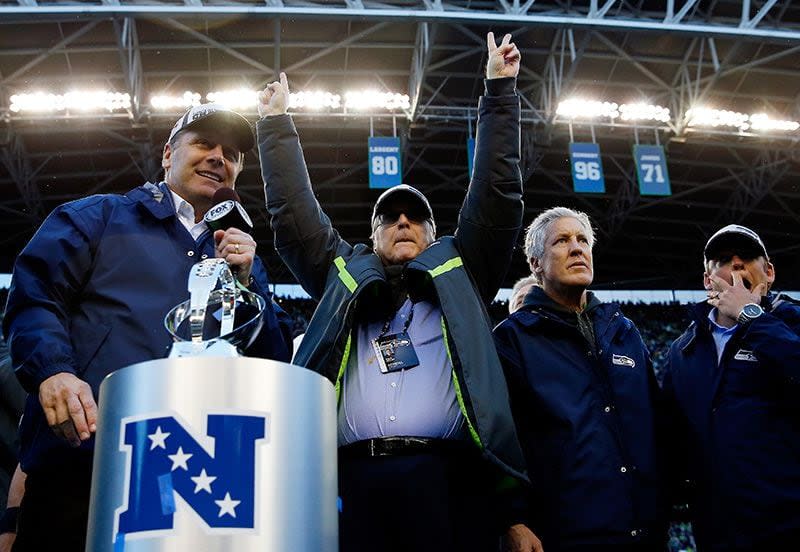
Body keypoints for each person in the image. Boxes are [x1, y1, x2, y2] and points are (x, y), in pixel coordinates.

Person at [257, 32, 541, 552]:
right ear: (374, 235)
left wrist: (500, 92)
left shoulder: (464, 269)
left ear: (436, 236)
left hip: (446, 480)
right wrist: (276, 127)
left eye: (416, 217)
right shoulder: (342, 276)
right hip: (350, 482)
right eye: (390, 217)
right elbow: (295, 221)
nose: (403, 221)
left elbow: (497, 196)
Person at [2, 103, 293, 551]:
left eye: (231, 153)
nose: (219, 157)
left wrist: (248, 285)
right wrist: (52, 370)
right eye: (203, 144)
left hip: (193, 479)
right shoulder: (98, 217)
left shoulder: (243, 261)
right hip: (85, 464)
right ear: (166, 154)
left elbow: (269, 365)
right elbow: (35, 294)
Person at [493, 207, 667, 551]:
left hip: (645, 530)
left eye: (583, 240)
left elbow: (657, 424)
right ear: (535, 264)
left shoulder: (624, 331)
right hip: (566, 533)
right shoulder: (512, 340)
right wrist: (512, 519)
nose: (577, 248)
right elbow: (498, 441)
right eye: (562, 240)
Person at [663, 224, 800, 552]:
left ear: (769, 273)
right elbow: (672, 439)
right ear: (708, 280)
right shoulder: (683, 351)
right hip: (717, 531)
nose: (736, 264)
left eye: (747, 257)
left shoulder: (793, 325)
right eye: (723, 259)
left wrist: (750, 317)